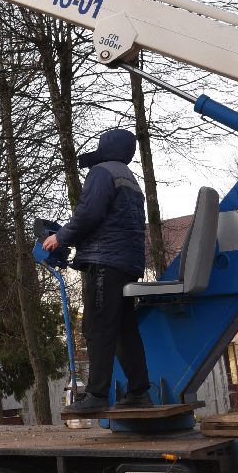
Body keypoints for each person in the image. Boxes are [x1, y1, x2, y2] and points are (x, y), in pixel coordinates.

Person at [41, 128, 151, 415]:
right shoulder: (129, 178)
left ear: (106, 147)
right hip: (128, 261)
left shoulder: (102, 172)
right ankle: (140, 392)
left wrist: (60, 237)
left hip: (106, 260)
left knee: (98, 326)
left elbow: (90, 213)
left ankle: (97, 395)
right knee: (124, 329)